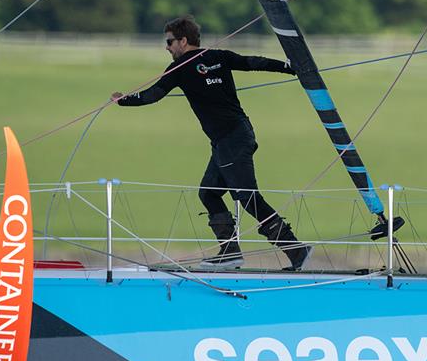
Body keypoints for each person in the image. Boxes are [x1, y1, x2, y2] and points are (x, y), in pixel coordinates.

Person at [111, 15, 311, 271]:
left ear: (183, 41)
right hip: (231, 138)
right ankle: (230, 253)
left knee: (247, 197)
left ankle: (296, 250)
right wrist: (287, 66)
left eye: (170, 42)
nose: (167, 47)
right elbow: (253, 62)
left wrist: (123, 100)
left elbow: (152, 95)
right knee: (209, 193)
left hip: (232, 139)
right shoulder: (219, 56)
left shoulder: (180, 67)